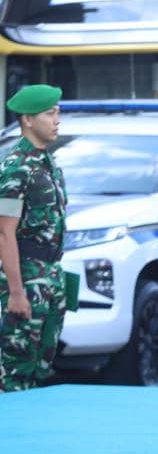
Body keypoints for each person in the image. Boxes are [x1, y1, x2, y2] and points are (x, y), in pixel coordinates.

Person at [0, 85, 68, 393]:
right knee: (14, 372)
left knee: (41, 372)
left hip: (50, 277)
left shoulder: (49, 164)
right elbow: (4, 232)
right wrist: (16, 292)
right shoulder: (16, 167)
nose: (57, 120)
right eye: (49, 113)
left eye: (58, 112)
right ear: (27, 119)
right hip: (25, 280)